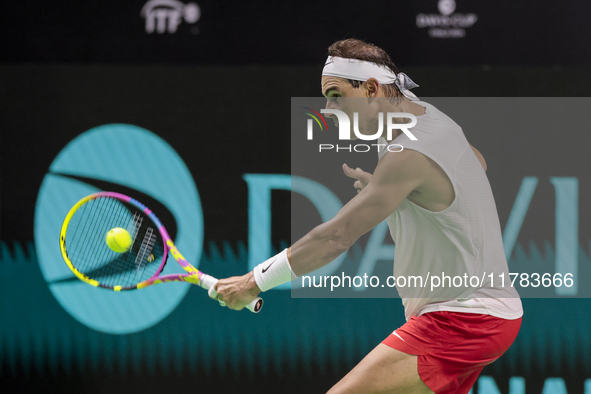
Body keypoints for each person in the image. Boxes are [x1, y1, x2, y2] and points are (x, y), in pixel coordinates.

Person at [210, 39, 523, 394]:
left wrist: (253, 282)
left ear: (372, 89)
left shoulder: (409, 150)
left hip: (461, 319)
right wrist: (405, 190)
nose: (328, 109)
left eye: (336, 94)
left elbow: (335, 238)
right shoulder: (423, 115)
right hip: (484, 315)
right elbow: (475, 162)